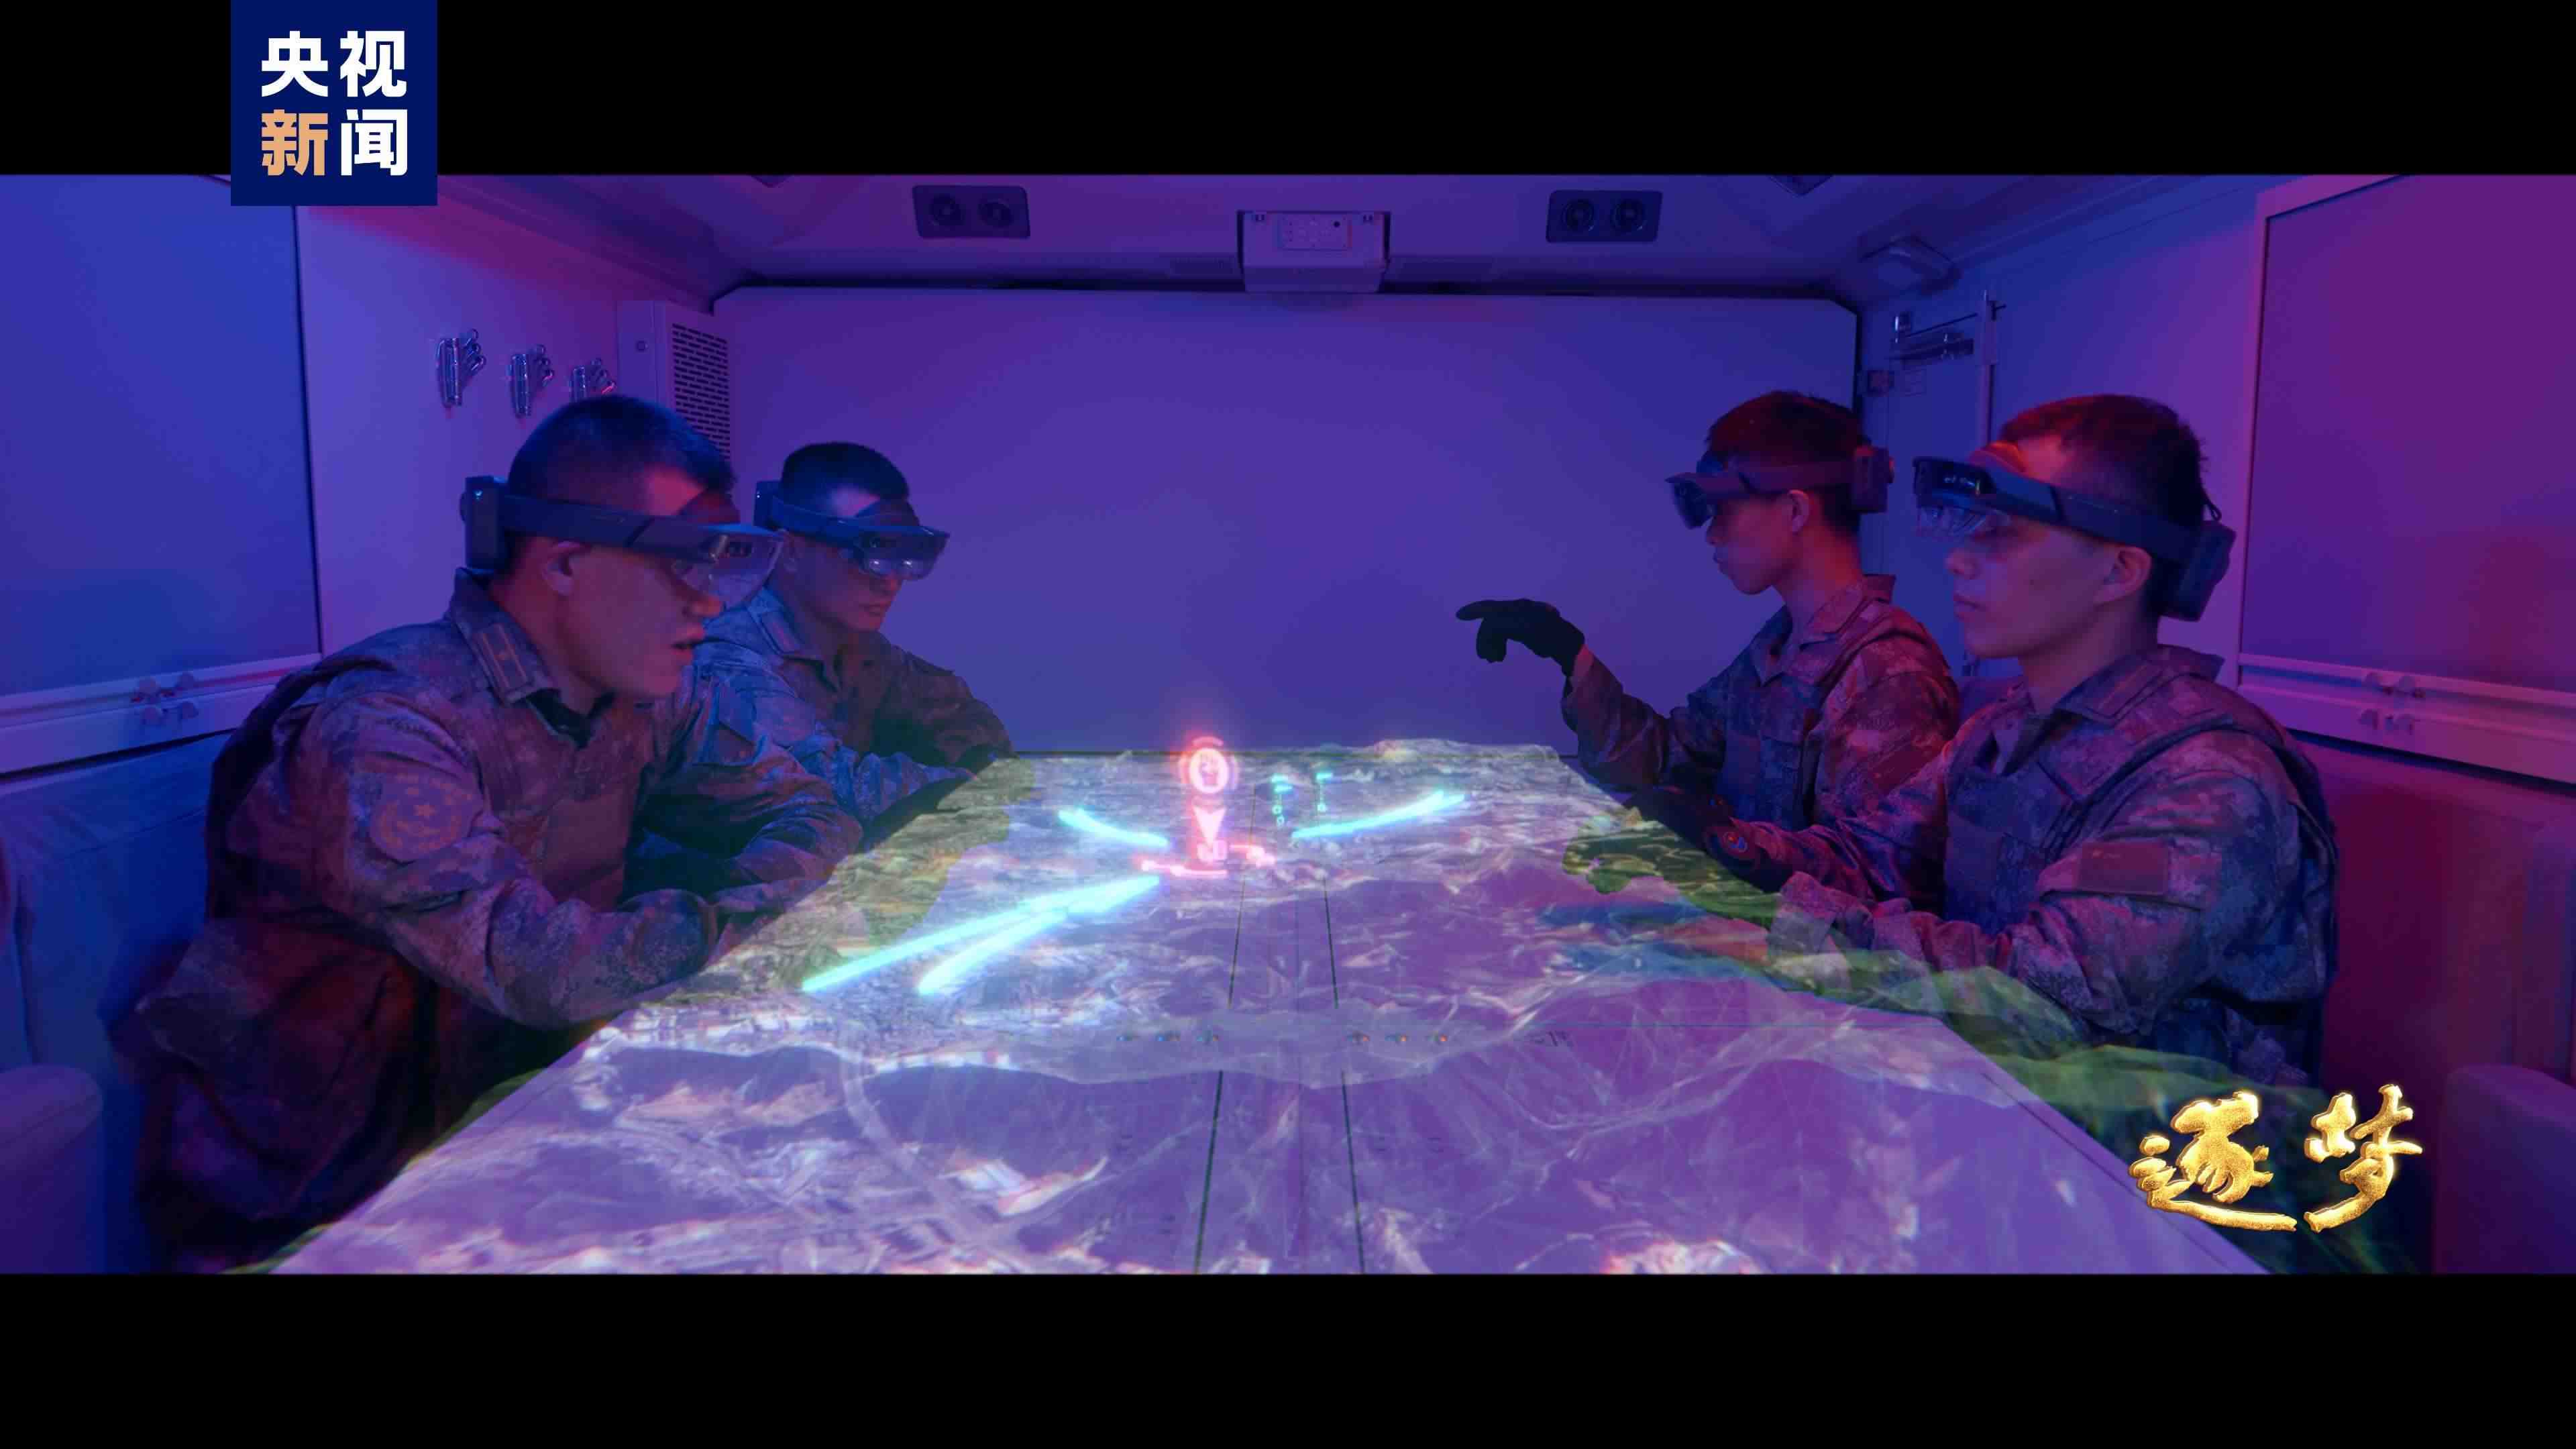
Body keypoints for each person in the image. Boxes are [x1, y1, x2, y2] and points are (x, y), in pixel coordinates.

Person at [117, 396, 863, 1271]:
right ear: (566, 563)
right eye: (683, 563)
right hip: (308, 1215)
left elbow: (812, 811)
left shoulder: (640, 695)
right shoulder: (386, 726)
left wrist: (762, 905)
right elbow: (548, 972)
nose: (710, 599)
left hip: (499, 1160)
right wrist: (765, 925)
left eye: (723, 564)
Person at [1631, 394, 2338, 1087]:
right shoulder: (2003, 729)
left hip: (2153, 1159)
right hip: (2013, 1114)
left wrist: (1777, 936)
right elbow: (1874, 858)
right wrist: (1724, 850)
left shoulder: (2207, 776)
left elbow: (2040, 998)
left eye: (2002, 532)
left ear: (2119, 571)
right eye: (1970, 528)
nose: (1958, 562)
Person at [1460, 391, 1960, 831]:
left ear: (1795, 512)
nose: (1713, 534)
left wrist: (1724, 843)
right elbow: (1664, 759)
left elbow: (1872, 882)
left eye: (1726, 510)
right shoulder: (1778, 649)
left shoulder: (1889, 674)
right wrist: (1570, 655)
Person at [691, 443, 1015, 846]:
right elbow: (831, 788)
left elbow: (966, 720)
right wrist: (977, 789)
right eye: (869, 553)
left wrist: (983, 767)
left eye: (902, 555)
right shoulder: (726, 656)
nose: (890, 581)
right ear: (791, 551)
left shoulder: (862, 649)